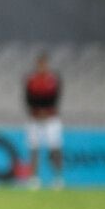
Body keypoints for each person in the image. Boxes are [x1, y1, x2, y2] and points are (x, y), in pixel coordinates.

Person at [24, 52, 63, 189]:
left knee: (54, 148)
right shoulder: (31, 80)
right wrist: (38, 111)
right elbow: (28, 98)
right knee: (34, 148)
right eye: (40, 64)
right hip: (35, 118)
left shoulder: (53, 79)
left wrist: (46, 111)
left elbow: (55, 98)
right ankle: (34, 178)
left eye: (44, 64)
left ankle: (58, 178)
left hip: (51, 117)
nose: (42, 66)